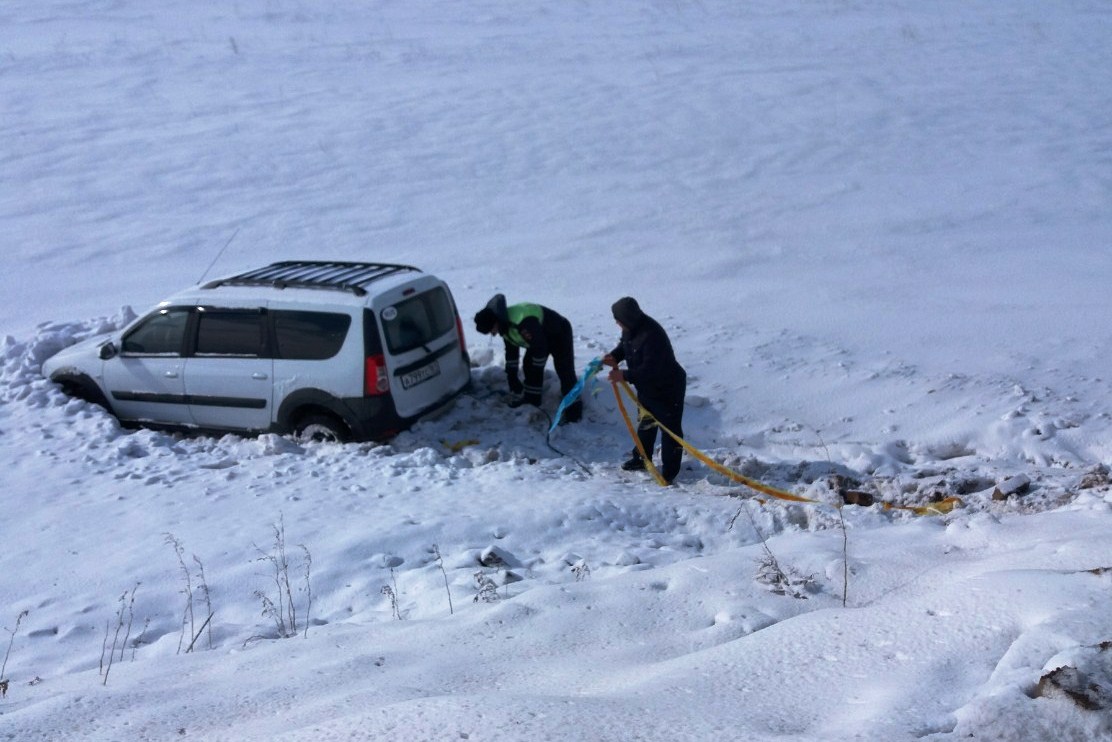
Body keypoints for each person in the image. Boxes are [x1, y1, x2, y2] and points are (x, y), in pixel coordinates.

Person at [603, 297, 687, 484]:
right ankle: (641, 458)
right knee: (646, 424)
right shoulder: (631, 328)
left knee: (670, 431)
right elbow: (625, 347)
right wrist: (614, 356)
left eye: (618, 319)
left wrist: (623, 375)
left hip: (668, 388)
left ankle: (669, 472)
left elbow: (651, 369)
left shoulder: (651, 335)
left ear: (627, 318)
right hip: (648, 389)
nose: (616, 323)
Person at [474, 294, 582, 423]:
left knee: (564, 370)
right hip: (538, 337)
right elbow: (511, 353)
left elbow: (540, 347)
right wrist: (512, 376)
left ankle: (574, 411)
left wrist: (537, 366)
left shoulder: (521, 321)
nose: (493, 333)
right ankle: (532, 398)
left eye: (492, 330)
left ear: (495, 322)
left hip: (558, 333)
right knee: (529, 365)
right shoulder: (505, 326)